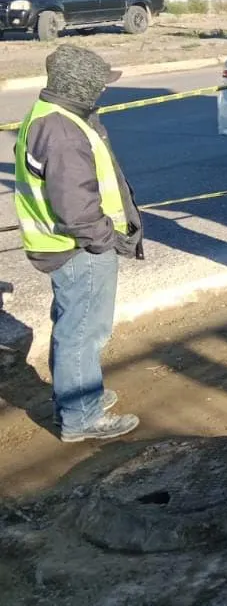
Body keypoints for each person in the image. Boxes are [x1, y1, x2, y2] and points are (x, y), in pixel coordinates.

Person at [13, 45, 143, 442]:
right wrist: (104, 240)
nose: (103, 90)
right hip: (79, 248)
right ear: (79, 84)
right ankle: (81, 416)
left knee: (74, 326)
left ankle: (78, 398)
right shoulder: (63, 131)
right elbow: (76, 206)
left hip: (63, 246)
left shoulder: (53, 116)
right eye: (99, 84)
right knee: (84, 332)